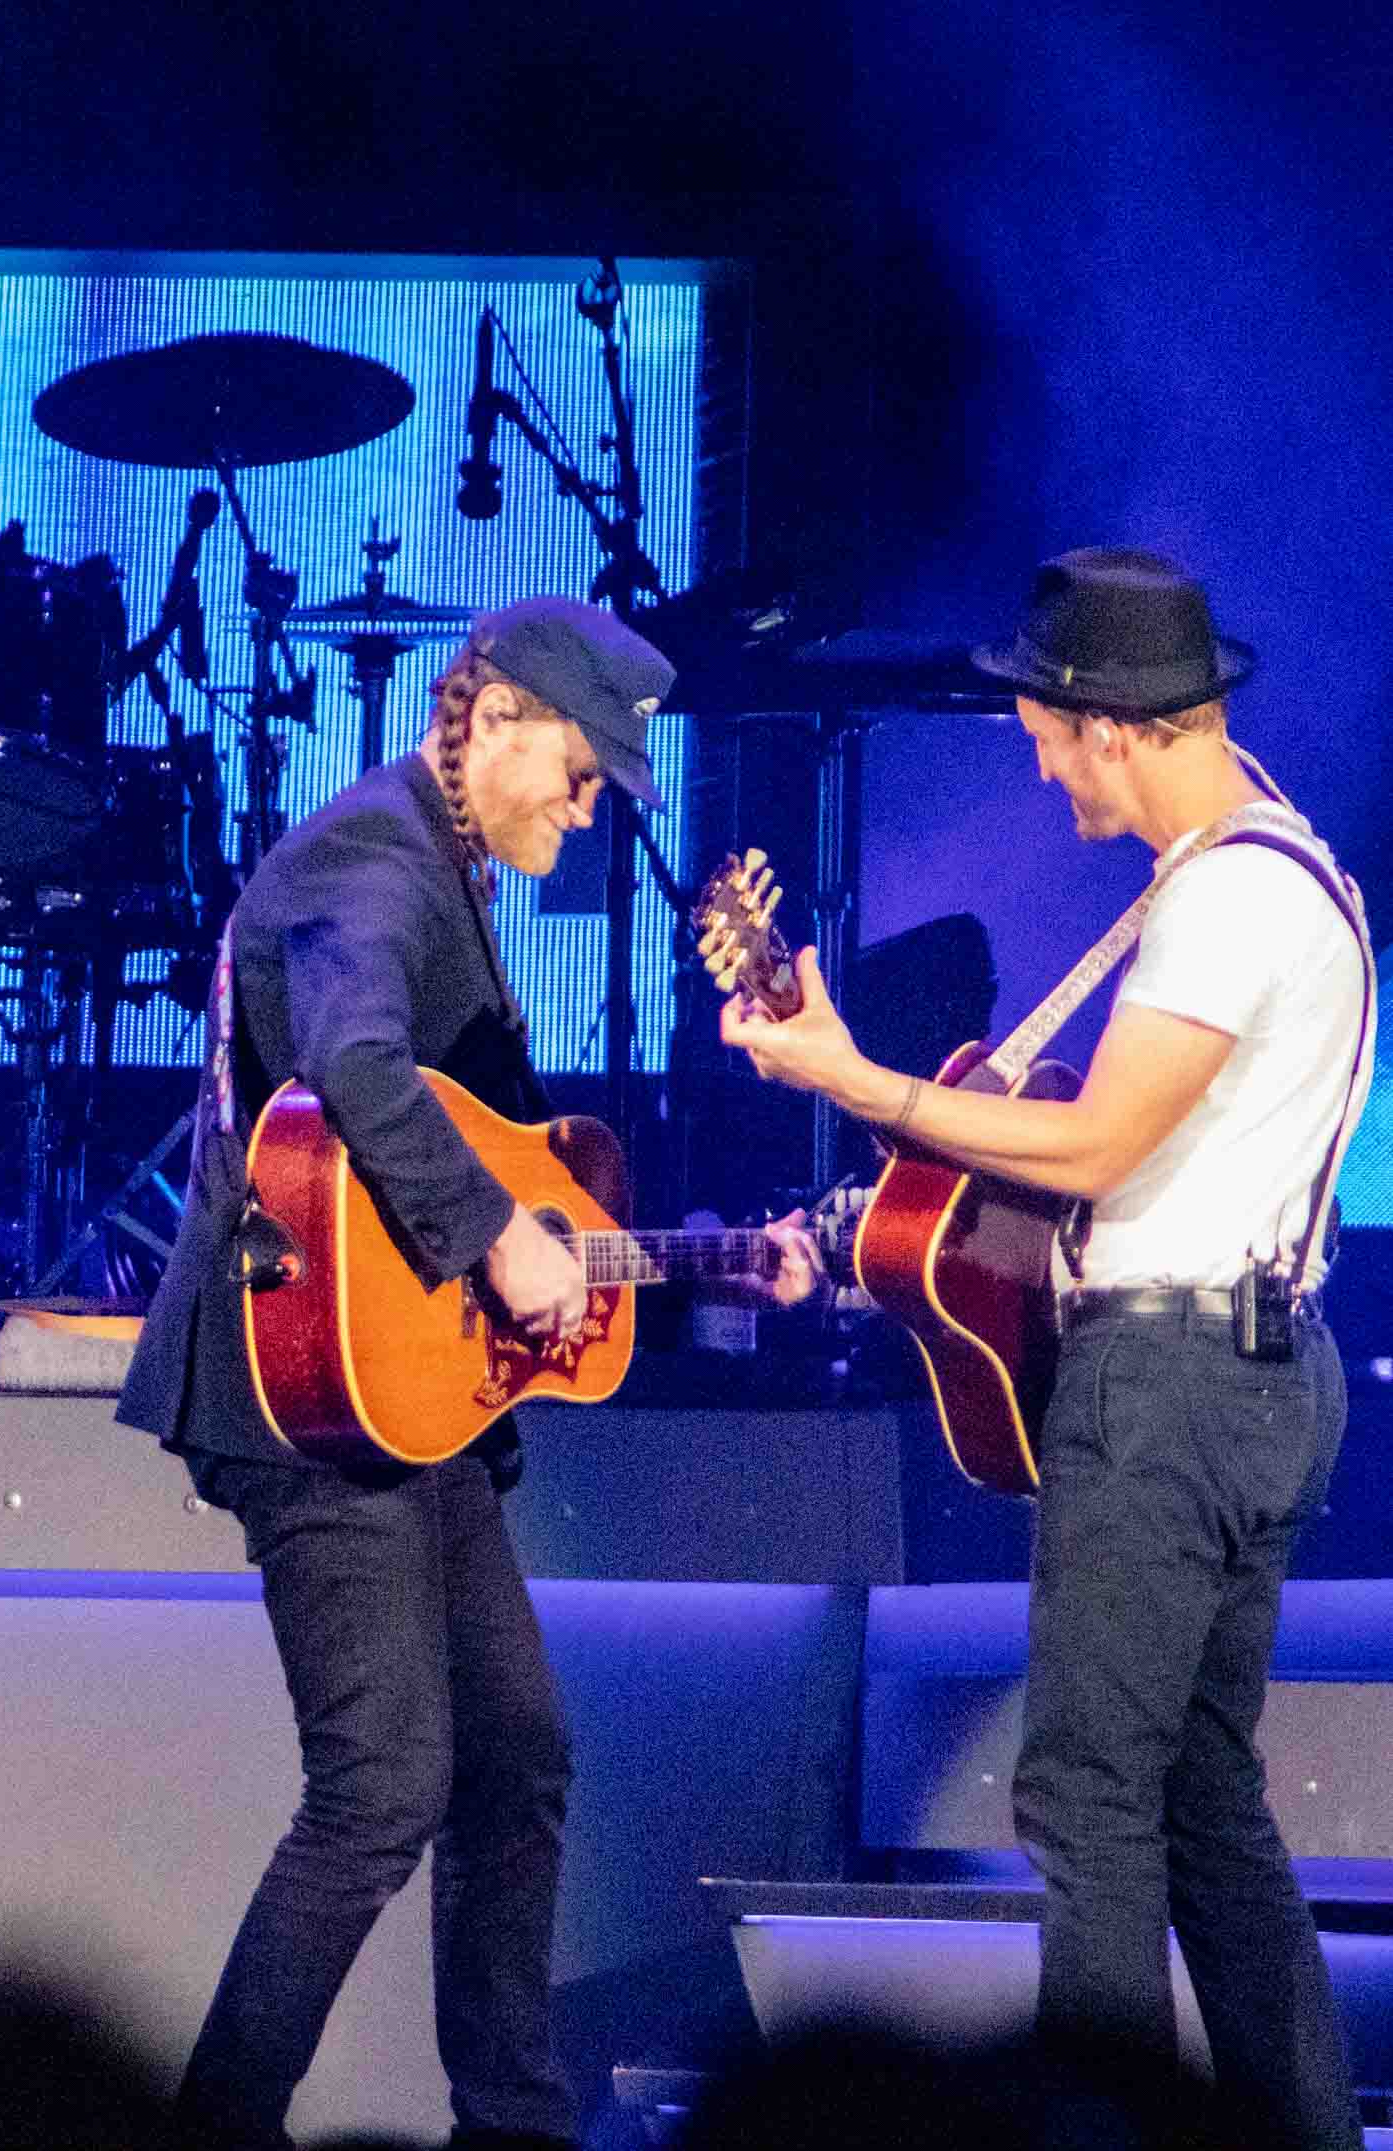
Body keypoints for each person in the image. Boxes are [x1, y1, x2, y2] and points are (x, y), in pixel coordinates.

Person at [117, 596, 819, 2151]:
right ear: (491, 716)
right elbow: (357, 1067)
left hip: (406, 1395)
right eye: (577, 770)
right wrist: (498, 1240)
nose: (588, 805)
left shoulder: (443, 856)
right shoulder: (373, 857)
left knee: (519, 1756)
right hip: (302, 1385)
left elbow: (500, 1144)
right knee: (380, 1787)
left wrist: (703, 1254)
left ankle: (513, 2127)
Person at [718, 547, 1374, 2149]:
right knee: (1205, 1802)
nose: (1030, 759)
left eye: (1040, 730)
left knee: (1085, 1801)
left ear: (1115, 726)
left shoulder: (1228, 899)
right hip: (1248, 1373)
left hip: (1168, 1392)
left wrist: (855, 1082)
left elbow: (1092, 1153)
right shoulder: (1271, 876)